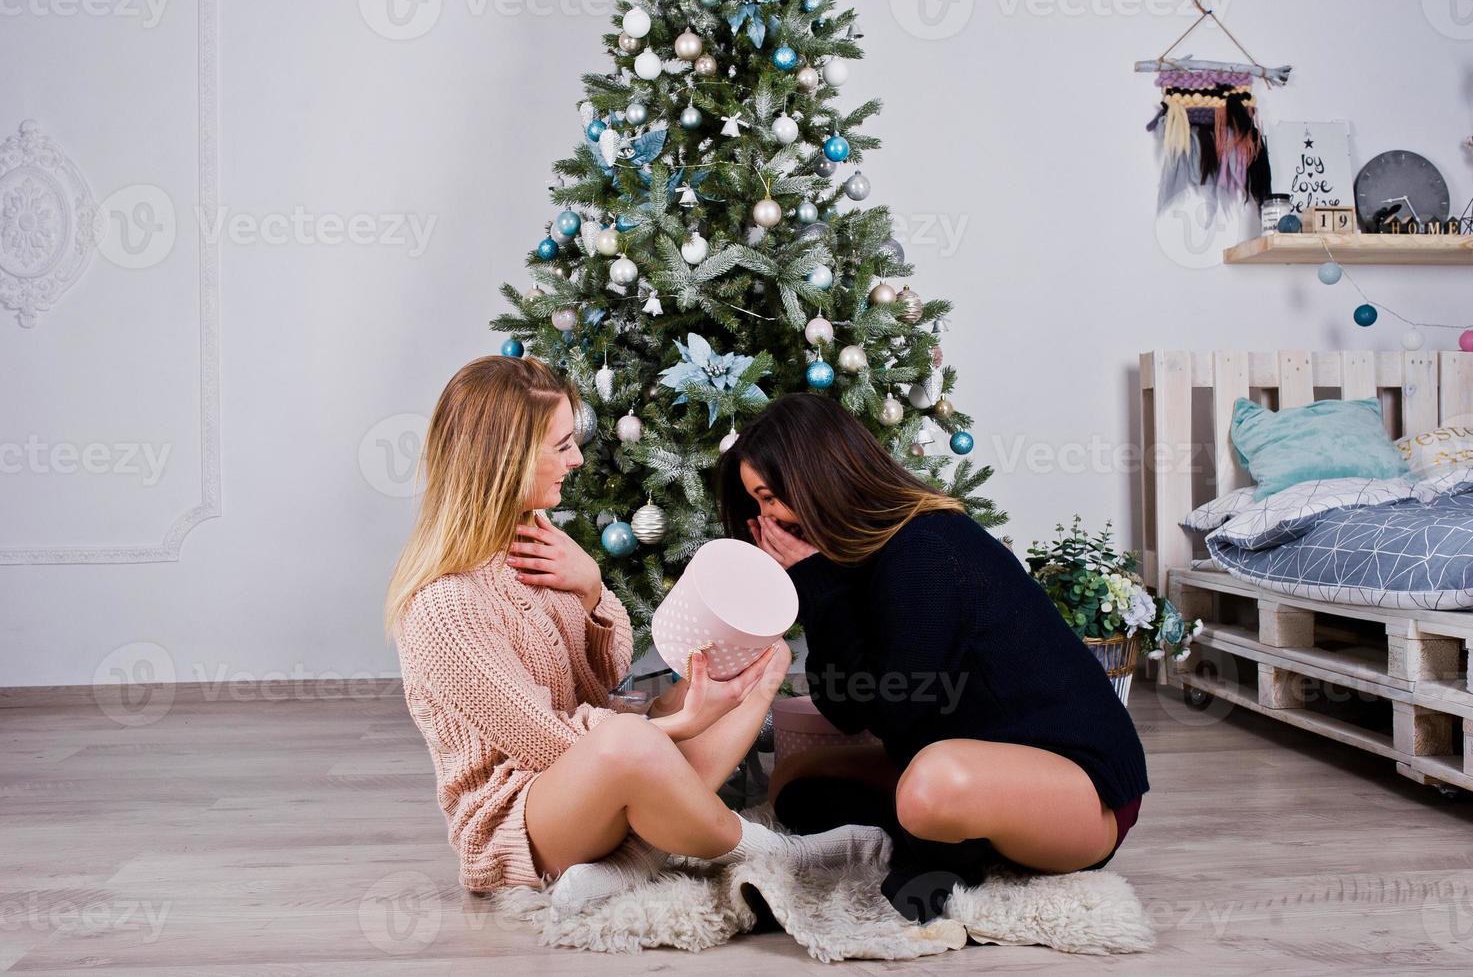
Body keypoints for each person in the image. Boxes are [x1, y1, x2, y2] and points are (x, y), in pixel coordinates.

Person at [385, 356, 889, 911]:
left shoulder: (538, 548)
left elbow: (604, 673)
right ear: (504, 459)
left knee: (751, 657)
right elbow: (550, 745)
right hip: (522, 821)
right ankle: (775, 853)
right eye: (560, 447)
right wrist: (679, 723)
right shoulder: (446, 606)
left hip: (590, 773)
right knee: (629, 737)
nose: (576, 459)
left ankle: (637, 860)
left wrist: (591, 590)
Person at [715, 394, 1150, 922]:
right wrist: (819, 591)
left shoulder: (925, 549)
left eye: (768, 499)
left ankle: (940, 852)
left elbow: (898, 711)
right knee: (795, 780)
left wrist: (818, 587)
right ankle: (937, 839)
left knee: (930, 782)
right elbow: (848, 712)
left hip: (1085, 790)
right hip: (975, 756)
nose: (766, 522)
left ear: (813, 481)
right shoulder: (857, 558)